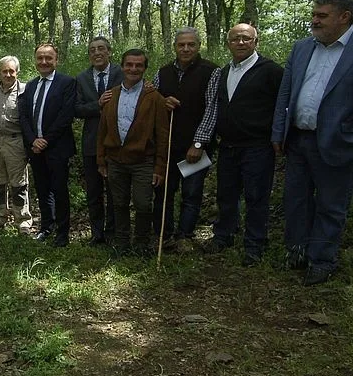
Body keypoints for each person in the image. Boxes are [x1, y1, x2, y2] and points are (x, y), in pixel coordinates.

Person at [271, 0, 353, 285]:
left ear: (345, 17)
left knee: (331, 204)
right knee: (295, 200)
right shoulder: (302, 48)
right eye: (314, 15)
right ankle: (297, 251)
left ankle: (322, 260)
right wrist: (279, 131)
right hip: (299, 140)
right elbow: (285, 94)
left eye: (322, 16)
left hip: (340, 143)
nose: (314, 21)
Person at [207, 23, 283, 266]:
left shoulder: (270, 71)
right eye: (236, 39)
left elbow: (283, 106)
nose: (241, 43)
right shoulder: (224, 71)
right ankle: (224, 235)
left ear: (255, 42)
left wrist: (278, 137)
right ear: (228, 43)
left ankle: (255, 244)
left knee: (256, 196)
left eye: (246, 39)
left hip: (258, 146)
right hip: (228, 146)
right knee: (226, 194)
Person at [151, 28, 220, 252]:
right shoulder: (162, 73)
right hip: (168, 146)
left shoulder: (211, 71)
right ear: (175, 47)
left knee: (191, 193)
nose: (186, 49)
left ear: (198, 46)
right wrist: (162, 101)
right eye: (181, 45)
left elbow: (212, 108)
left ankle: (185, 235)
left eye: (191, 44)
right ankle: (164, 234)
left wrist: (199, 143)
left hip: (195, 148)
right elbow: (151, 101)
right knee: (163, 192)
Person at [97, 49, 168, 255]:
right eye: (129, 64)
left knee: (143, 203)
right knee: (118, 203)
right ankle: (122, 243)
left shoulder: (153, 97)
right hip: (115, 160)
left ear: (145, 69)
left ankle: (141, 244)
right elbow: (102, 130)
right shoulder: (112, 94)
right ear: (122, 66)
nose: (133, 69)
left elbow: (162, 134)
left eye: (138, 65)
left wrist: (160, 166)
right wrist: (101, 160)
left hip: (143, 161)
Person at [19, 44, 76, 247]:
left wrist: (46, 140)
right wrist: (33, 140)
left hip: (57, 147)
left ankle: (62, 233)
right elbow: (24, 116)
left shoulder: (67, 83)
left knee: (59, 190)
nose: (44, 62)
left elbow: (65, 116)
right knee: (43, 190)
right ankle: (46, 227)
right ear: (35, 60)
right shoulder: (31, 86)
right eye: (40, 58)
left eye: (48, 58)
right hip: (35, 148)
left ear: (56, 60)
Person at [75, 36, 124, 245]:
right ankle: (97, 233)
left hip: (117, 142)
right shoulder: (82, 78)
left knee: (115, 191)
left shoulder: (122, 73)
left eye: (101, 49)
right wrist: (98, 104)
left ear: (109, 52)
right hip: (91, 142)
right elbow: (77, 109)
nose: (97, 53)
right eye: (92, 50)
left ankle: (114, 232)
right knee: (94, 191)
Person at [0, 55, 33, 234]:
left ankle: (23, 221)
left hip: (16, 141)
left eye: (11, 71)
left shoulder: (25, 91)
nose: (8, 74)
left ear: (17, 72)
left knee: (19, 184)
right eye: (4, 71)